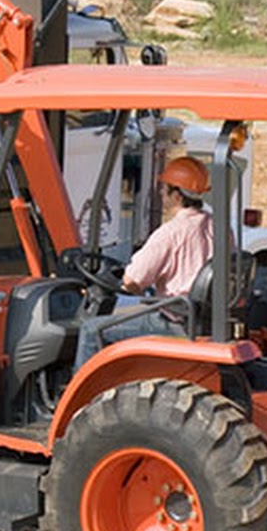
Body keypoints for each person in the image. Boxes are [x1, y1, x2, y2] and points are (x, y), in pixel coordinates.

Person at [73, 156, 215, 372]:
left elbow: (132, 281)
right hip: (203, 318)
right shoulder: (219, 228)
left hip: (175, 320)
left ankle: (81, 397)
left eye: (163, 188)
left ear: (176, 195)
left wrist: (124, 284)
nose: (160, 193)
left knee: (92, 329)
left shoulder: (171, 232)